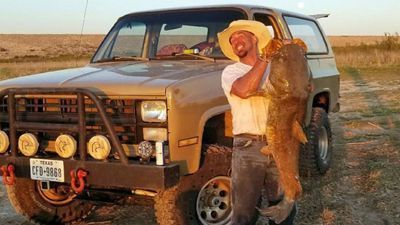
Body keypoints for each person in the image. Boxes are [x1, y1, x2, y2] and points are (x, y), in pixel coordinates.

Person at [217, 20, 297, 225]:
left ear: (254, 39)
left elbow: (299, 87)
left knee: (283, 207)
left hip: (281, 143)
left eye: (240, 35)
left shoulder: (275, 68)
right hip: (248, 146)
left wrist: (294, 53)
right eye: (231, 39)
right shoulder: (231, 72)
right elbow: (244, 90)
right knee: (244, 213)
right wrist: (266, 57)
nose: (235, 40)